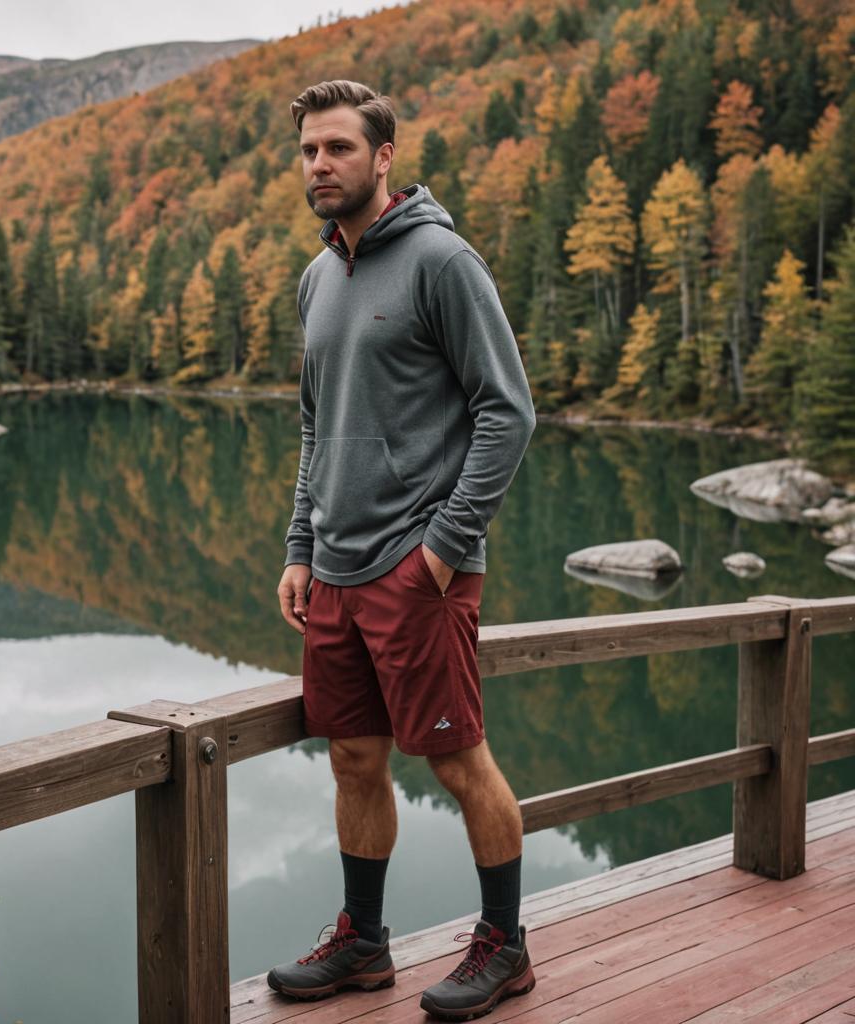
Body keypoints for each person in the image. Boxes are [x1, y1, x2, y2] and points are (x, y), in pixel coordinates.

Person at [269, 79, 537, 1022]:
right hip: (334, 574)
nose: (320, 165)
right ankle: (364, 945)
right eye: (308, 151)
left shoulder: (441, 260)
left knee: (460, 759)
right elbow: (314, 429)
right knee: (353, 760)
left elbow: (509, 411)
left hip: (417, 573)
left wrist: (443, 549)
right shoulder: (317, 277)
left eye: (338, 148)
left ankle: (506, 946)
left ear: (384, 157)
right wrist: (301, 546)